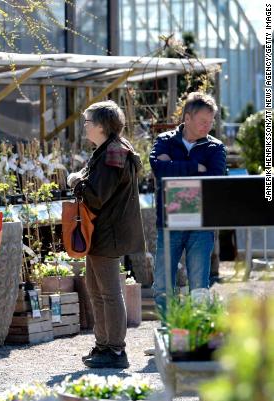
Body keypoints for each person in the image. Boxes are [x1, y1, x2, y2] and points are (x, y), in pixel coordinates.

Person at [67, 101, 145, 369]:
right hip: (102, 232)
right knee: (97, 289)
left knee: (109, 292)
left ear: (101, 125)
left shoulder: (114, 152)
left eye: (88, 121)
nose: (85, 126)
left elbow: (97, 196)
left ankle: (114, 350)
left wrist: (77, 182)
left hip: (107, 232)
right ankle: (104, 345)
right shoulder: (110, 149)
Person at [150, 92, 226, 313]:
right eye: (203, 121)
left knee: (199, 288)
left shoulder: (216, 148)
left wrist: (176, 166)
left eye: (211, 121)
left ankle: (197, 337)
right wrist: (196, 167)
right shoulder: (164, 141)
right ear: (188, 118)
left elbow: (214, 179)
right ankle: (168, 332)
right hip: (169, 222)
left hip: (201, 224)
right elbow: (160, 171)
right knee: (162, 285)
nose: (208, 126)